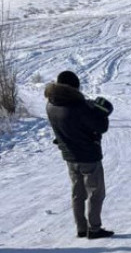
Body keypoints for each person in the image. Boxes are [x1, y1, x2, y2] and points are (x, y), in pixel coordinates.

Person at [45, 71, 115, 239]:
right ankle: (95, 229)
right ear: (75, 87)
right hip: (88, 156)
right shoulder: (78, 106)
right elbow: (100, 127)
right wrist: (101, 113)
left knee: (78, 193)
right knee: (96, 193)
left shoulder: (51, 104)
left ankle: (81, 228)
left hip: (69, 156)